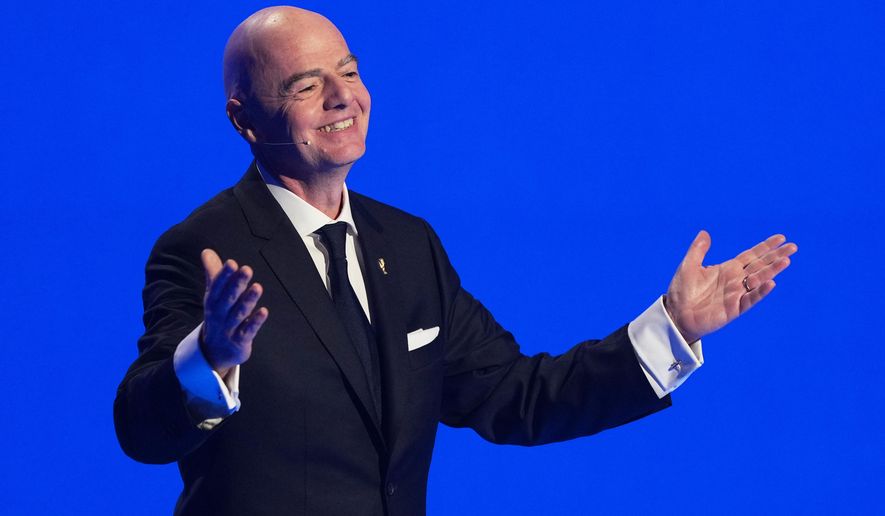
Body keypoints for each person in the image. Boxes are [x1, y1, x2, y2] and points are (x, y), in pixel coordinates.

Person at [113, 6, 797, 515]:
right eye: (305, 85)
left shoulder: (407, 247)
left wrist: (672, 328)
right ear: (245, 118)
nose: (341, 97)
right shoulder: (203, 248)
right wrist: (214, 355)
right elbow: (142, 431)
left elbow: (515, 397)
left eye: (349, 72)